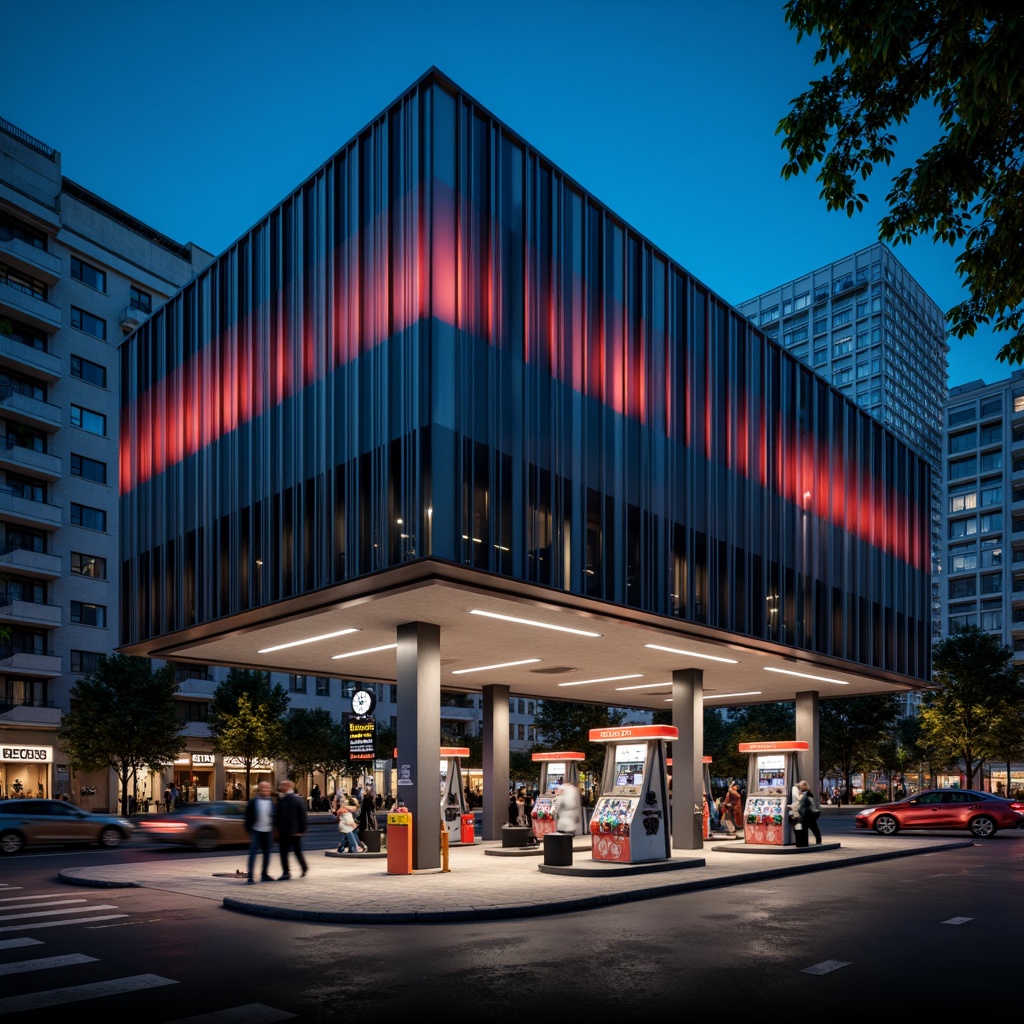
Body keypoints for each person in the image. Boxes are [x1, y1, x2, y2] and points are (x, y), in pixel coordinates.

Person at [275, 779, 308, 880]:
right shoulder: (285, 799)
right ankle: (301, 867)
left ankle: (287, 872)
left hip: (292, 831)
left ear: (287, 786)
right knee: (292, 851)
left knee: (288, 852)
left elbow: (302, 816)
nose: (280, 786)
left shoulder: (293, 799)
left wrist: (301, 830)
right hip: (289, 831)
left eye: (282, 785)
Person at [244, 780, 276, 883]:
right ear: (259, 790)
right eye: (263, 788)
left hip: (268, 831)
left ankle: (264, 874)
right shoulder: (253, 802)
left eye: (267, 788)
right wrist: (250, 830)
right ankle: (250, 877)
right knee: (253, 854)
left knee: (267, 854)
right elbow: (248, 817)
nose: (265, 790)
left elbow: (273, 815)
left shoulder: (271, 801)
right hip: (256, 831)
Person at [794, 780, 822, 846]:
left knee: (810, 826)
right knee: (813, 826)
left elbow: (806, 803)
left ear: (803, 786)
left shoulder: (806, 794)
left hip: (808, 813)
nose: (799, 788)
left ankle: (815, 839)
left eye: (800, 786)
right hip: (809, 812)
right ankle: (818, 839)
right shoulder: (807, 793)